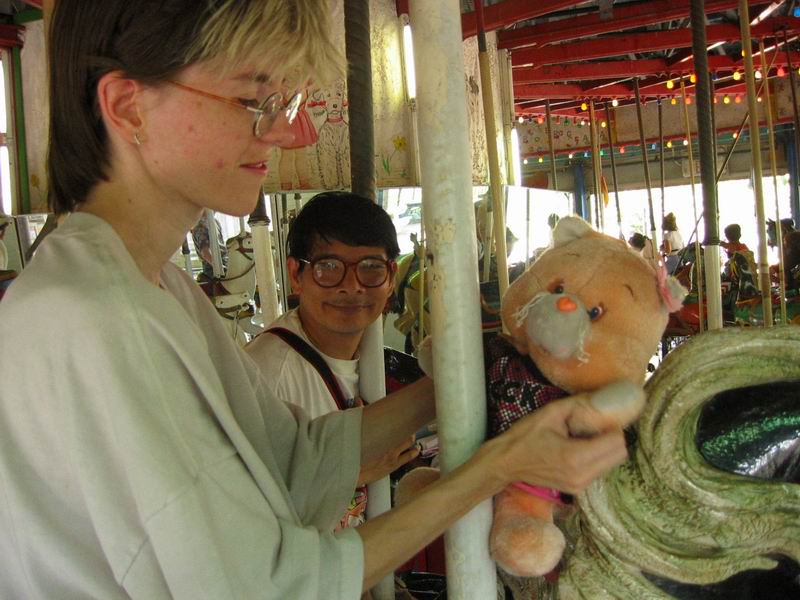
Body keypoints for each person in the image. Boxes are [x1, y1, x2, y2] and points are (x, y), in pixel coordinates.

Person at [0, 2, 629, 598]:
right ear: (128, 106)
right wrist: (500, 466)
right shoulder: (92, 316)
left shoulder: (158, 287)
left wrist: (480, 374)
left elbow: (293, 465)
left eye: (285, 102)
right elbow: (269, 585)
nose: (289, 132)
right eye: (255, 101)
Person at [245, 191, 418, 531]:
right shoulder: (266, 375)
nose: (351, 286)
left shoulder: (376, 362)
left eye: (371, 268)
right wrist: (351, 474)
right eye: (328, 268)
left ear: (391, 277)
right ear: (296, 274)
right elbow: (243, 510)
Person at [191, 210, 229, 280]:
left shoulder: (215, 222)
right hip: (212, 266)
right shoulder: (201, 227)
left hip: (224, 261)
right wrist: (219, 267)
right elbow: (205, 253)